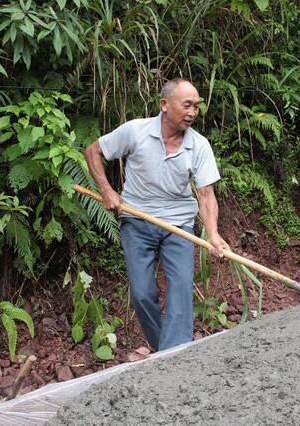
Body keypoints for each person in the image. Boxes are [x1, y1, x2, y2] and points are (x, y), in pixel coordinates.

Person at [84, 78, 230, 351]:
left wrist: (212, 233)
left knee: (180, 289)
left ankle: (174, 355)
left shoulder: (199, 145)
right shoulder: (136, 132)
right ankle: (165, 350)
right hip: (136, 221)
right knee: (141, 294)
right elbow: (93, 151)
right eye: (187, 105)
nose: (192, 112)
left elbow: (206, 194)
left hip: (179, 226)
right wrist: (106, 190)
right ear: (165, 104)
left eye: (196, 107)